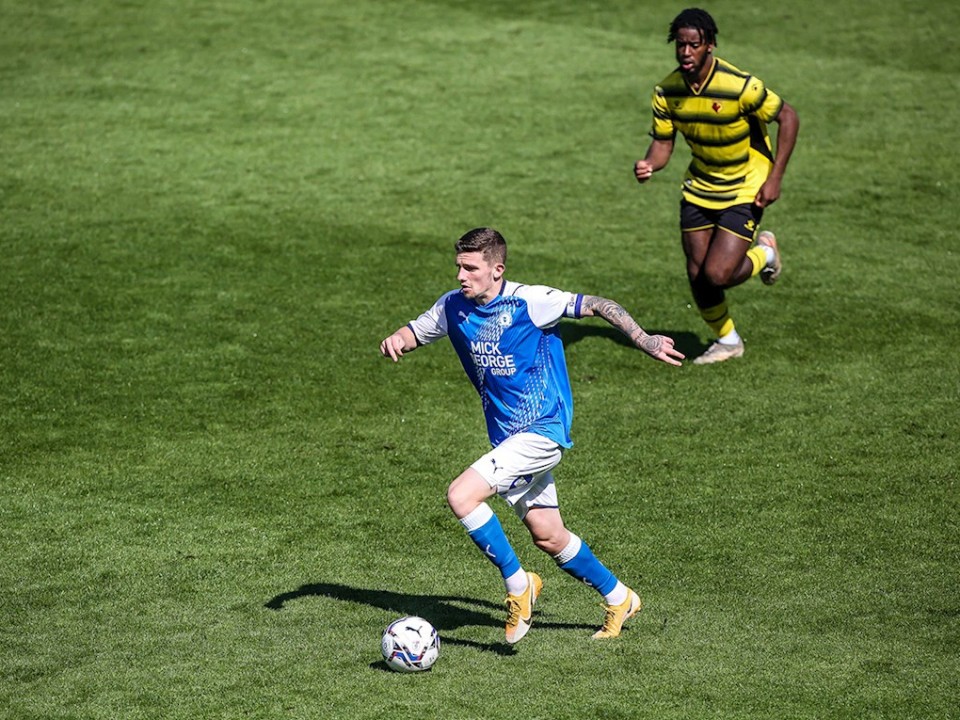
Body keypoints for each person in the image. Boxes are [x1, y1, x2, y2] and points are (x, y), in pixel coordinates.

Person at [380, 227, 684, 643]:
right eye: (459, 267)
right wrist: (397, 339)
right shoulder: (453, 307)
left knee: (461, 495)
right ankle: (620, 597)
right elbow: (416, 331)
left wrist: (643, 338)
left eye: (471, 269)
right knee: (549, 536)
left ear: (497, 269)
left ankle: (519, 585)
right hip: (507, 439)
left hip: (543, 430)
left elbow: (598, 305)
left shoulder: (532, 301)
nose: (461, 276)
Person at [634, 8, 799, 364]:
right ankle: (728, 340)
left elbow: (788, 117)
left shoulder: (740, 86)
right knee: (697, 274)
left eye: (694, 45)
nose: (686, 52)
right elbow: (662, 144)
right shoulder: (667, 91)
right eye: (680, 45)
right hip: (700, 186)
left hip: (746, 185)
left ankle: (766, 254)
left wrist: (775, 178)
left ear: (709, 44)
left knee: (718, 273)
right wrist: (649, 164)